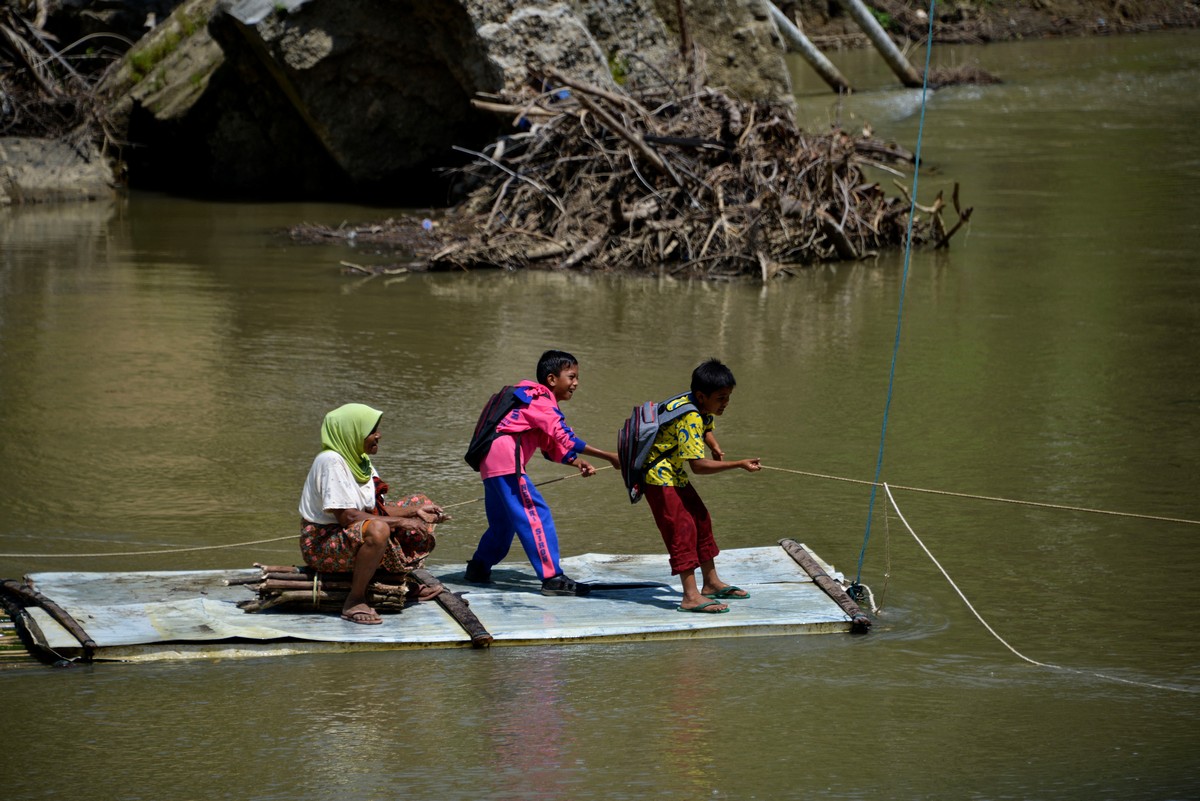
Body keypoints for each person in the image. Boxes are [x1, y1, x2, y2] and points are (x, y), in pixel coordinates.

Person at [465, 349, 619, 596]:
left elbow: (550, 447)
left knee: (503, 524)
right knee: (535, 514)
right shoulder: (541, 400)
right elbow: (566, 437)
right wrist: (609, 456)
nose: (576, 383)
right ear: (551, 379)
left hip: (490, 462)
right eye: (571, 376)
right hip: (506, 459)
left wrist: (576, 462)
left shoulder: (528, 399)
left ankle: (478, 567)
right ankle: (552, 577)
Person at [298, 403, 448, 624]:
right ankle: (355, 600)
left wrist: (416, 512)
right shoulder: (330, 460)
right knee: (379, 528)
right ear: (352, 432)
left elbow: (375, 509)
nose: (378, 435)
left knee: (419, 502)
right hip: (323, 543)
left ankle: (397, 583)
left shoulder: (361, 461)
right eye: (371, 431)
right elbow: (347, 517)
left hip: (351, 532)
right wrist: (401, 521)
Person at [642, 358, 761, 613]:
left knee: (701, 519)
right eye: (721, 398)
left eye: (728, 397)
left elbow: (705, 427)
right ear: (701, 395)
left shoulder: (694, 402)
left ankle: (711, 583)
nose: (725, 403)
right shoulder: (691, 417)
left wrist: (714, 445)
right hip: (658, 477)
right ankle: (690, 596)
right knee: (682, 529)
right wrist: (738, 464)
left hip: (673, 472)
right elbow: (698, 466)